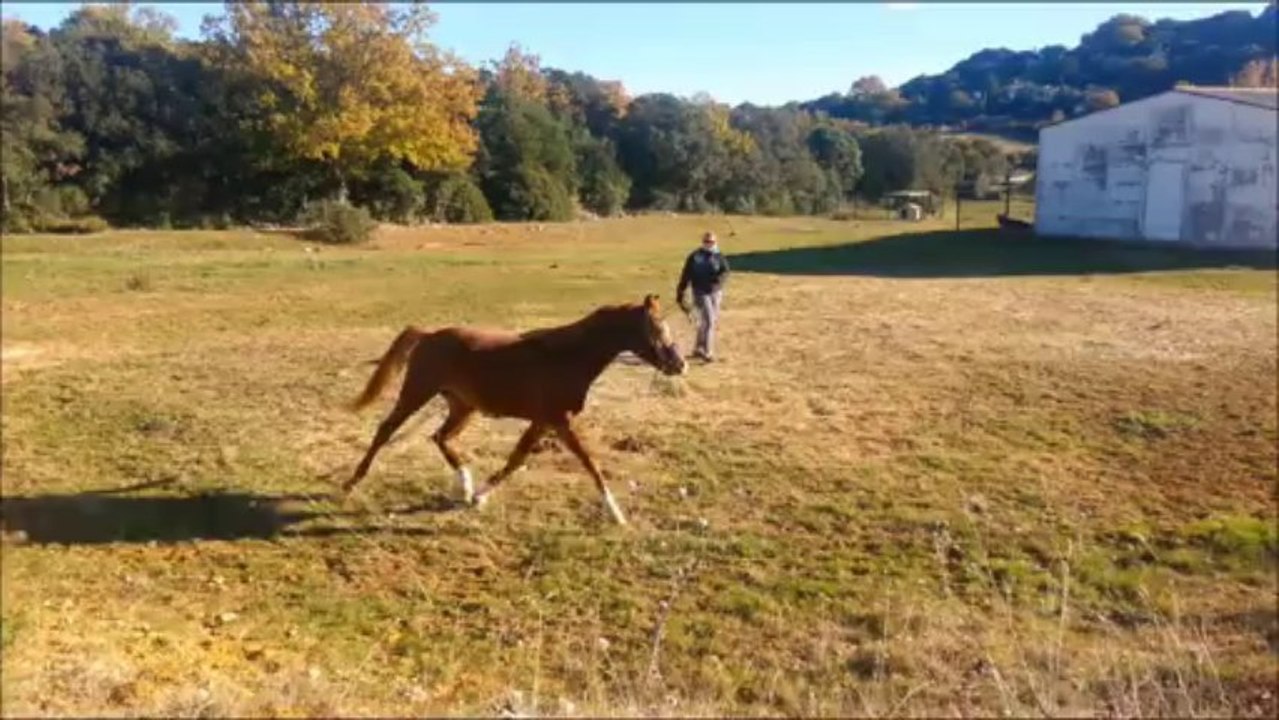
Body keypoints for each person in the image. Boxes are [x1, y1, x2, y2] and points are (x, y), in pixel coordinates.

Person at [676, 231, 730, 362]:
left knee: (707, 321)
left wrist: (719, 281)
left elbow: (725, 271)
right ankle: (707, 352)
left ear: (715, 242)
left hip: (715, 293)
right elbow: (686, 273)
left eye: (711, 242)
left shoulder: (719, 256)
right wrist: (681, 290)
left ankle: (698, 348)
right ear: (702, 242)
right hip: (700, 292)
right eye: (706, 242)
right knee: (709, 320)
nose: (709, 244)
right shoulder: (695, 256)